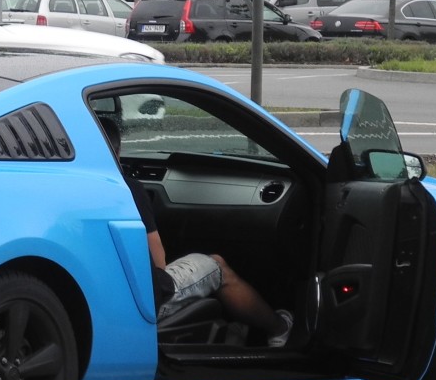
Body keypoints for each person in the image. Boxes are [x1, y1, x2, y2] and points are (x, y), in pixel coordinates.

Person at [100, 116, 293, 347]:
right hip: (142, 301)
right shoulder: (127, 188)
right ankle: (279, 328)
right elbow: (158, 261)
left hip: (100, 301)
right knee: (217, 266)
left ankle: (235, 329)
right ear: (117, 151)